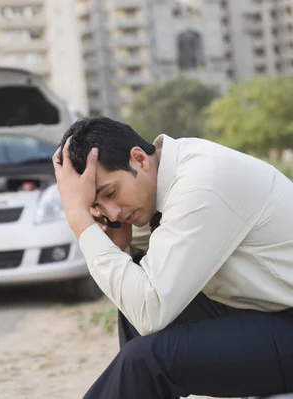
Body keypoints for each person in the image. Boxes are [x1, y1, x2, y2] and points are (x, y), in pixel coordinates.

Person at [52, 116, 293, 399]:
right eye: (96, 206)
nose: (112, 213)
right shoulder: (169, 175)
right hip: (266, 310)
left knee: (146, 359)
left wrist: (80, 220)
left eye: (111, 193)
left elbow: (149, 310)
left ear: (139, 159)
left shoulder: (201, 184)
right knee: (133, 292)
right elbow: (139, 296)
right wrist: (119, 248)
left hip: (283, 319)